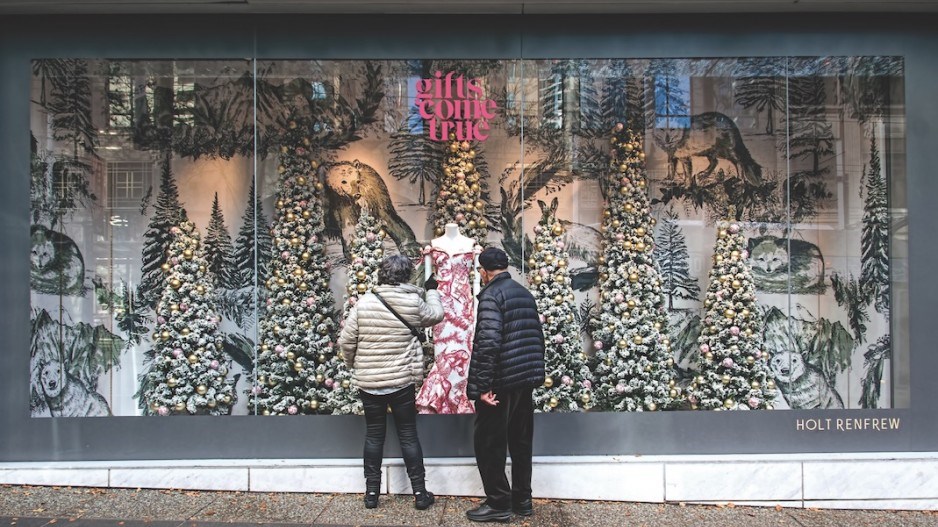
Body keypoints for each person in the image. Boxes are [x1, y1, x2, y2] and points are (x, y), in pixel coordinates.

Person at [338, 254, 444, 511]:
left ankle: (371, 494)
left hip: (370, 383)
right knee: (408, 434)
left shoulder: (364, 304)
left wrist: (356, 365)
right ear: (406, 275)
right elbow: (437, 315)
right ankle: (420, 493)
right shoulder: (412, 302)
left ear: (381, 274)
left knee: (374, 435)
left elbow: (345, 342)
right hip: (401, 382)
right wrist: (431, 291)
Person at [465, 246, 546, 523]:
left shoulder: (491, 295)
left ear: (484, 271)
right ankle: (523, 500)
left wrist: (482, 387)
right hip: (524, 379)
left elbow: (487, 343)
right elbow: (536, 337)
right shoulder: (524, 293)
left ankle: (499, 502)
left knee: (489, 442)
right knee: (521, 441)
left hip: (500, 382)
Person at [416, 223, 479, 414]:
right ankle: (441, 401)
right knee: (443, 354)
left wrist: (476, 310)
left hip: (463, 305)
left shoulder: (470, 244)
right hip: (441, 304)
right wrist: (428, 313)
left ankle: (462, 399)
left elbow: (476, 280)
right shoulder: (434, 244)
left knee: (464, 353)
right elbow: (429, 283)